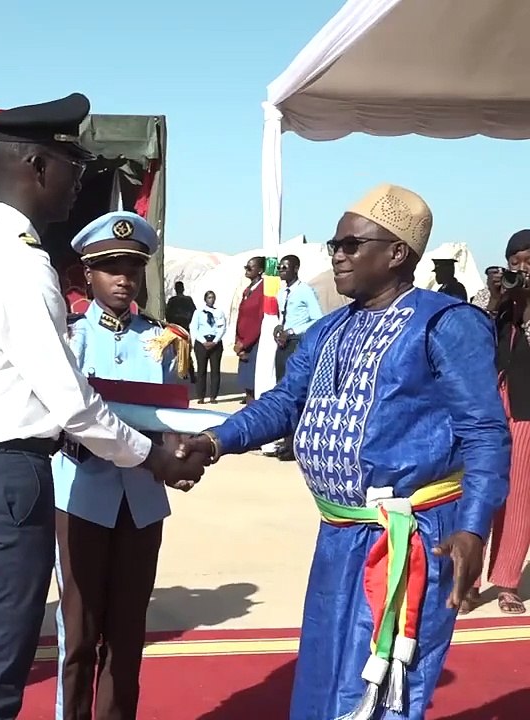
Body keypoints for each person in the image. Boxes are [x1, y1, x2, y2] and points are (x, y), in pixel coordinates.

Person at [0, 94, 202, 720]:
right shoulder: (21, 265)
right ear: (39, 167)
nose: (80, 181)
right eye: (73, 164)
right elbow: (75, 407)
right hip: (7, 479)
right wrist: (153, 456)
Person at [178, 184, 510, 720]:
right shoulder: (331, 328)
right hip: (339, 533)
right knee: (324, 672)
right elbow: (286, 403)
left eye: (351, 244)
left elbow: (485, 433)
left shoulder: (445, 323)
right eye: (335, 243)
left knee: (386, 684)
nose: (337, 253)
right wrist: (214, 441)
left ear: (397, 252)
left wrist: (472, 529)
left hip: (414, 537)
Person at [52, 211, 193, 720]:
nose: (123, 279)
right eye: (110, 267)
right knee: (79, 635)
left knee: (128, 635)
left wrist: (183, 453)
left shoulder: (161, 339)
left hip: (141, 502)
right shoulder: (68, 337)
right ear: (87, 274)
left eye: (132, 268)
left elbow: (174, 415)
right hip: (81, 497)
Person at [463, 230, 530, 616]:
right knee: (480, 487)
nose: (520, 269)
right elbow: (471, 343)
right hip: (488, 405)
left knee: (518, 496)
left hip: (525, 407)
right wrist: (495, 302)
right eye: (514, 261)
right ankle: (468, 580)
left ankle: (506, 583)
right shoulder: (494, 298)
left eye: (528, 262)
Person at [269, 254, 323, 460]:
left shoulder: (305, 291)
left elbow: (317, 318)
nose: (281, 270)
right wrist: (279, 328)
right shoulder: (282, 293)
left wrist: (292, 331)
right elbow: (283, 317)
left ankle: (295, 444)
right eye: (280, 267)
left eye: (285, 267)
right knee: (282, 390)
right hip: (282, 344)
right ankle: (286, 440)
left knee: (295, 391)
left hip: (296, 344)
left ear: (296, 268)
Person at [234, 256, 265, 403]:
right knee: (246, 384)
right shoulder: (248, 290)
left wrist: (245, 344)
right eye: (246, 267)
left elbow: (259, 320)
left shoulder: (263, 290)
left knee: (253, 385)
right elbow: (241, 317)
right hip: (243, 343)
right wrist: (237, 342)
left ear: (260, 270)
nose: (247, 270)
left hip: (254, 344)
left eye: (250, 267)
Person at [190, 290, 226, 404]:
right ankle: (200, 396)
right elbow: (194, 328)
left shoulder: (219, 312)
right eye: (209, 297)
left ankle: (213, 396)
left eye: (213, 297)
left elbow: (222, 327)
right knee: (201, 370)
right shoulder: (198, 312)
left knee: (215, 370)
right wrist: (203, 341)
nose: (211, 299)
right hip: (202, 342)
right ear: (205, 299)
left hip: (215, 342)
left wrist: (215, 341)